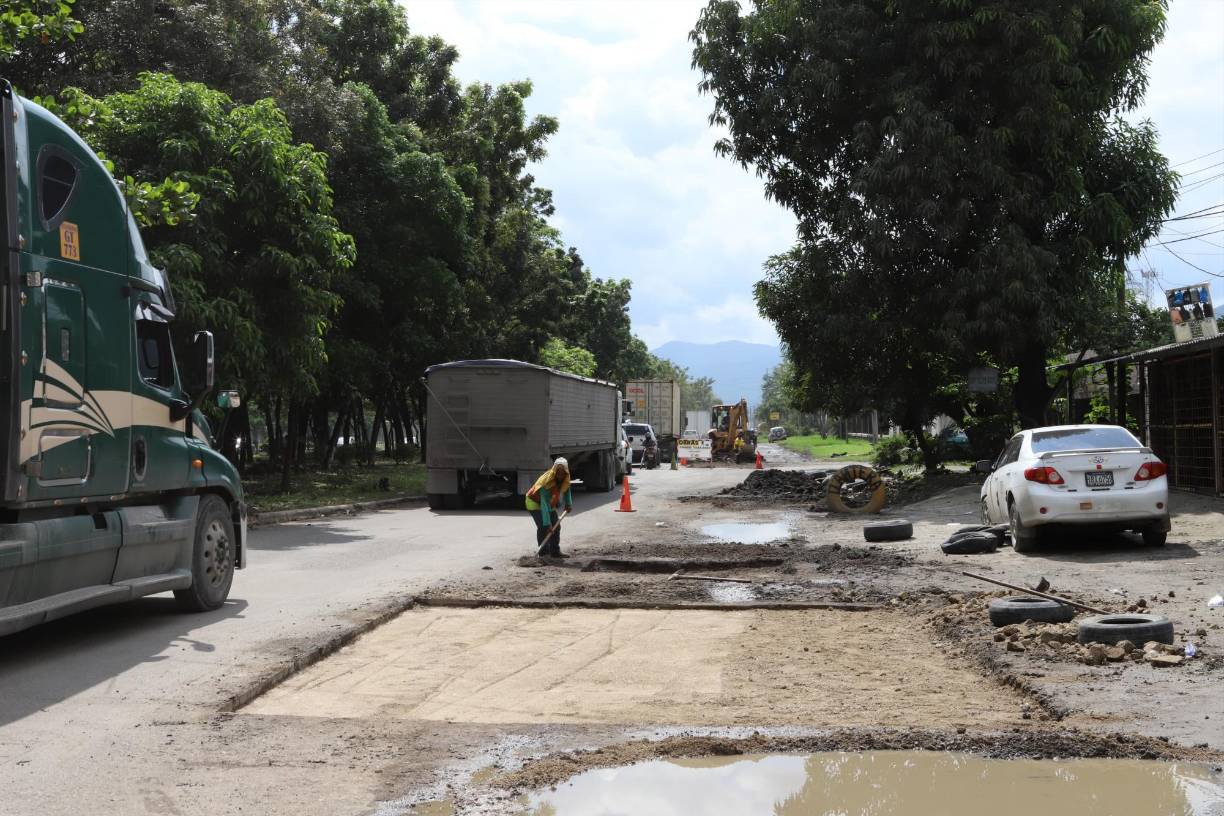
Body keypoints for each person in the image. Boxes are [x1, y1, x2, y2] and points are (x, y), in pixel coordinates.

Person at [525, 457, 573, 557]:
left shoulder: (565, 478)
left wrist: (568, 504)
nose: (560, 475)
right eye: (558, 472)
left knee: (556, 525)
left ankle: (555, 551)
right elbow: (544, 504)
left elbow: (567, 489)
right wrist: (547, 523)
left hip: (548, 502)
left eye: (562, 472)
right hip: (534, 502)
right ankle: (543, 554)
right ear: (554, 471)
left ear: (566, 472)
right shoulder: (546, 482)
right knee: (543, 527)